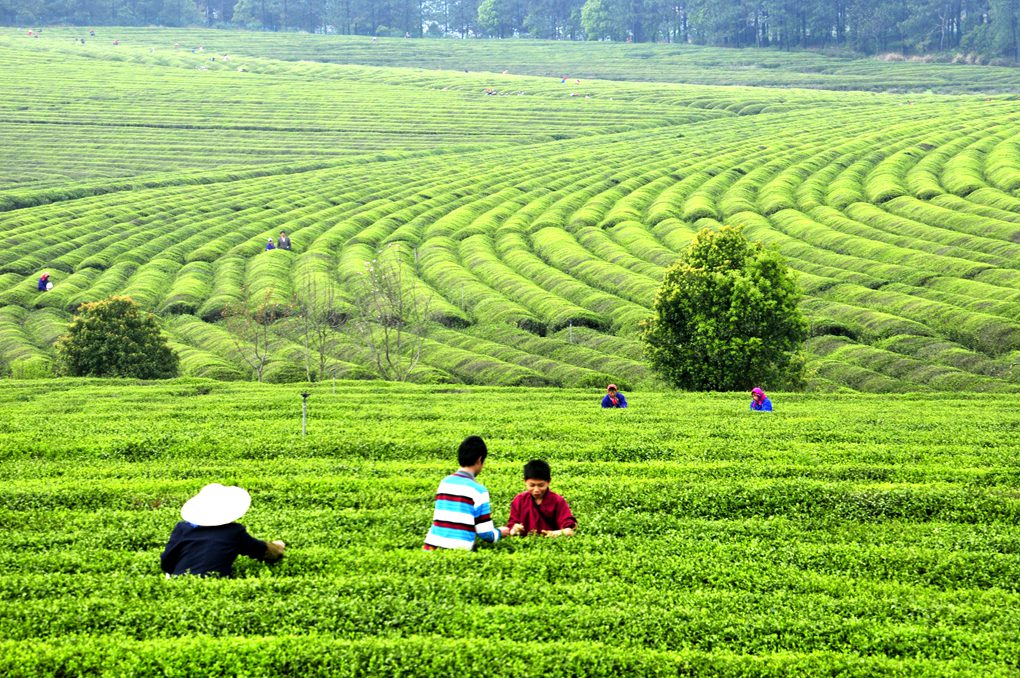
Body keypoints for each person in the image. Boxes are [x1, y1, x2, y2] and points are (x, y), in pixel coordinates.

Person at [160, 483, 285, 577]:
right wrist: (277, 547)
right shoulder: (234, 532)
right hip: (213, 585)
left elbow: (166, 562)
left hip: (179, 582)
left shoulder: (183, 528)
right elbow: (259, 550)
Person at [423, 436, 501, 551]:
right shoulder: (479, 491)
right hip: (458, 551)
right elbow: (485, 533)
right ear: (480, 460)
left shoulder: (444, 483)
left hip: (431, 547)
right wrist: (500, 532)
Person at [504, 460, 576, 538]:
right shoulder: (519, 500)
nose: (536, 490)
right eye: (532, 485)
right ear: (525, 481)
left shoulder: (558, 501)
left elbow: (569, 530)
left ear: (548, 482)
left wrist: (554, 533)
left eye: (541, 485)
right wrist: (514, 530)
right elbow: (511, 527)